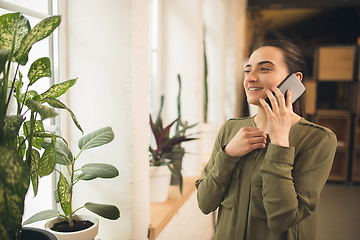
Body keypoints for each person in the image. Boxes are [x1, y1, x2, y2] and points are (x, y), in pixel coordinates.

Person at [195, 39, 337, 240]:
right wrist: (227, 155)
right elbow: (204, 202)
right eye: (247, 70)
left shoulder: (318, 139)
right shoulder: (230, 129)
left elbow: (283, 219)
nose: (250, 78)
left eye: (264, 69)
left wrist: (279, 142)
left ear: (295, 79)